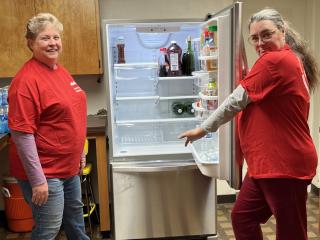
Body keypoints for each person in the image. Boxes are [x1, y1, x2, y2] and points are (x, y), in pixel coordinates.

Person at [179, 8, 318, 240]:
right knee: (243, 216)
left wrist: (203, 129)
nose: (260, 43)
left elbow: (235, 100)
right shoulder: (285, 59)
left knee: (291, 232)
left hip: (284, 165)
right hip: (265, 165)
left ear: (282, 32)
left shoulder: (276, 60)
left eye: (266, 34)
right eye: (255, 38)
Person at [8, 13, 89, 240]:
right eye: (45, 38)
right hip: (46, 172)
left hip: (68, 167)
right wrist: (38, 181)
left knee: (75, 222)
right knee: (48, 229)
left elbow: (71, 114)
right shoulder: (26, 81)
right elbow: (23, 135)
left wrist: (79, 151)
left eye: (56, 37)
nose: (53, 43)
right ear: (31, 43)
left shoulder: (58, 70)